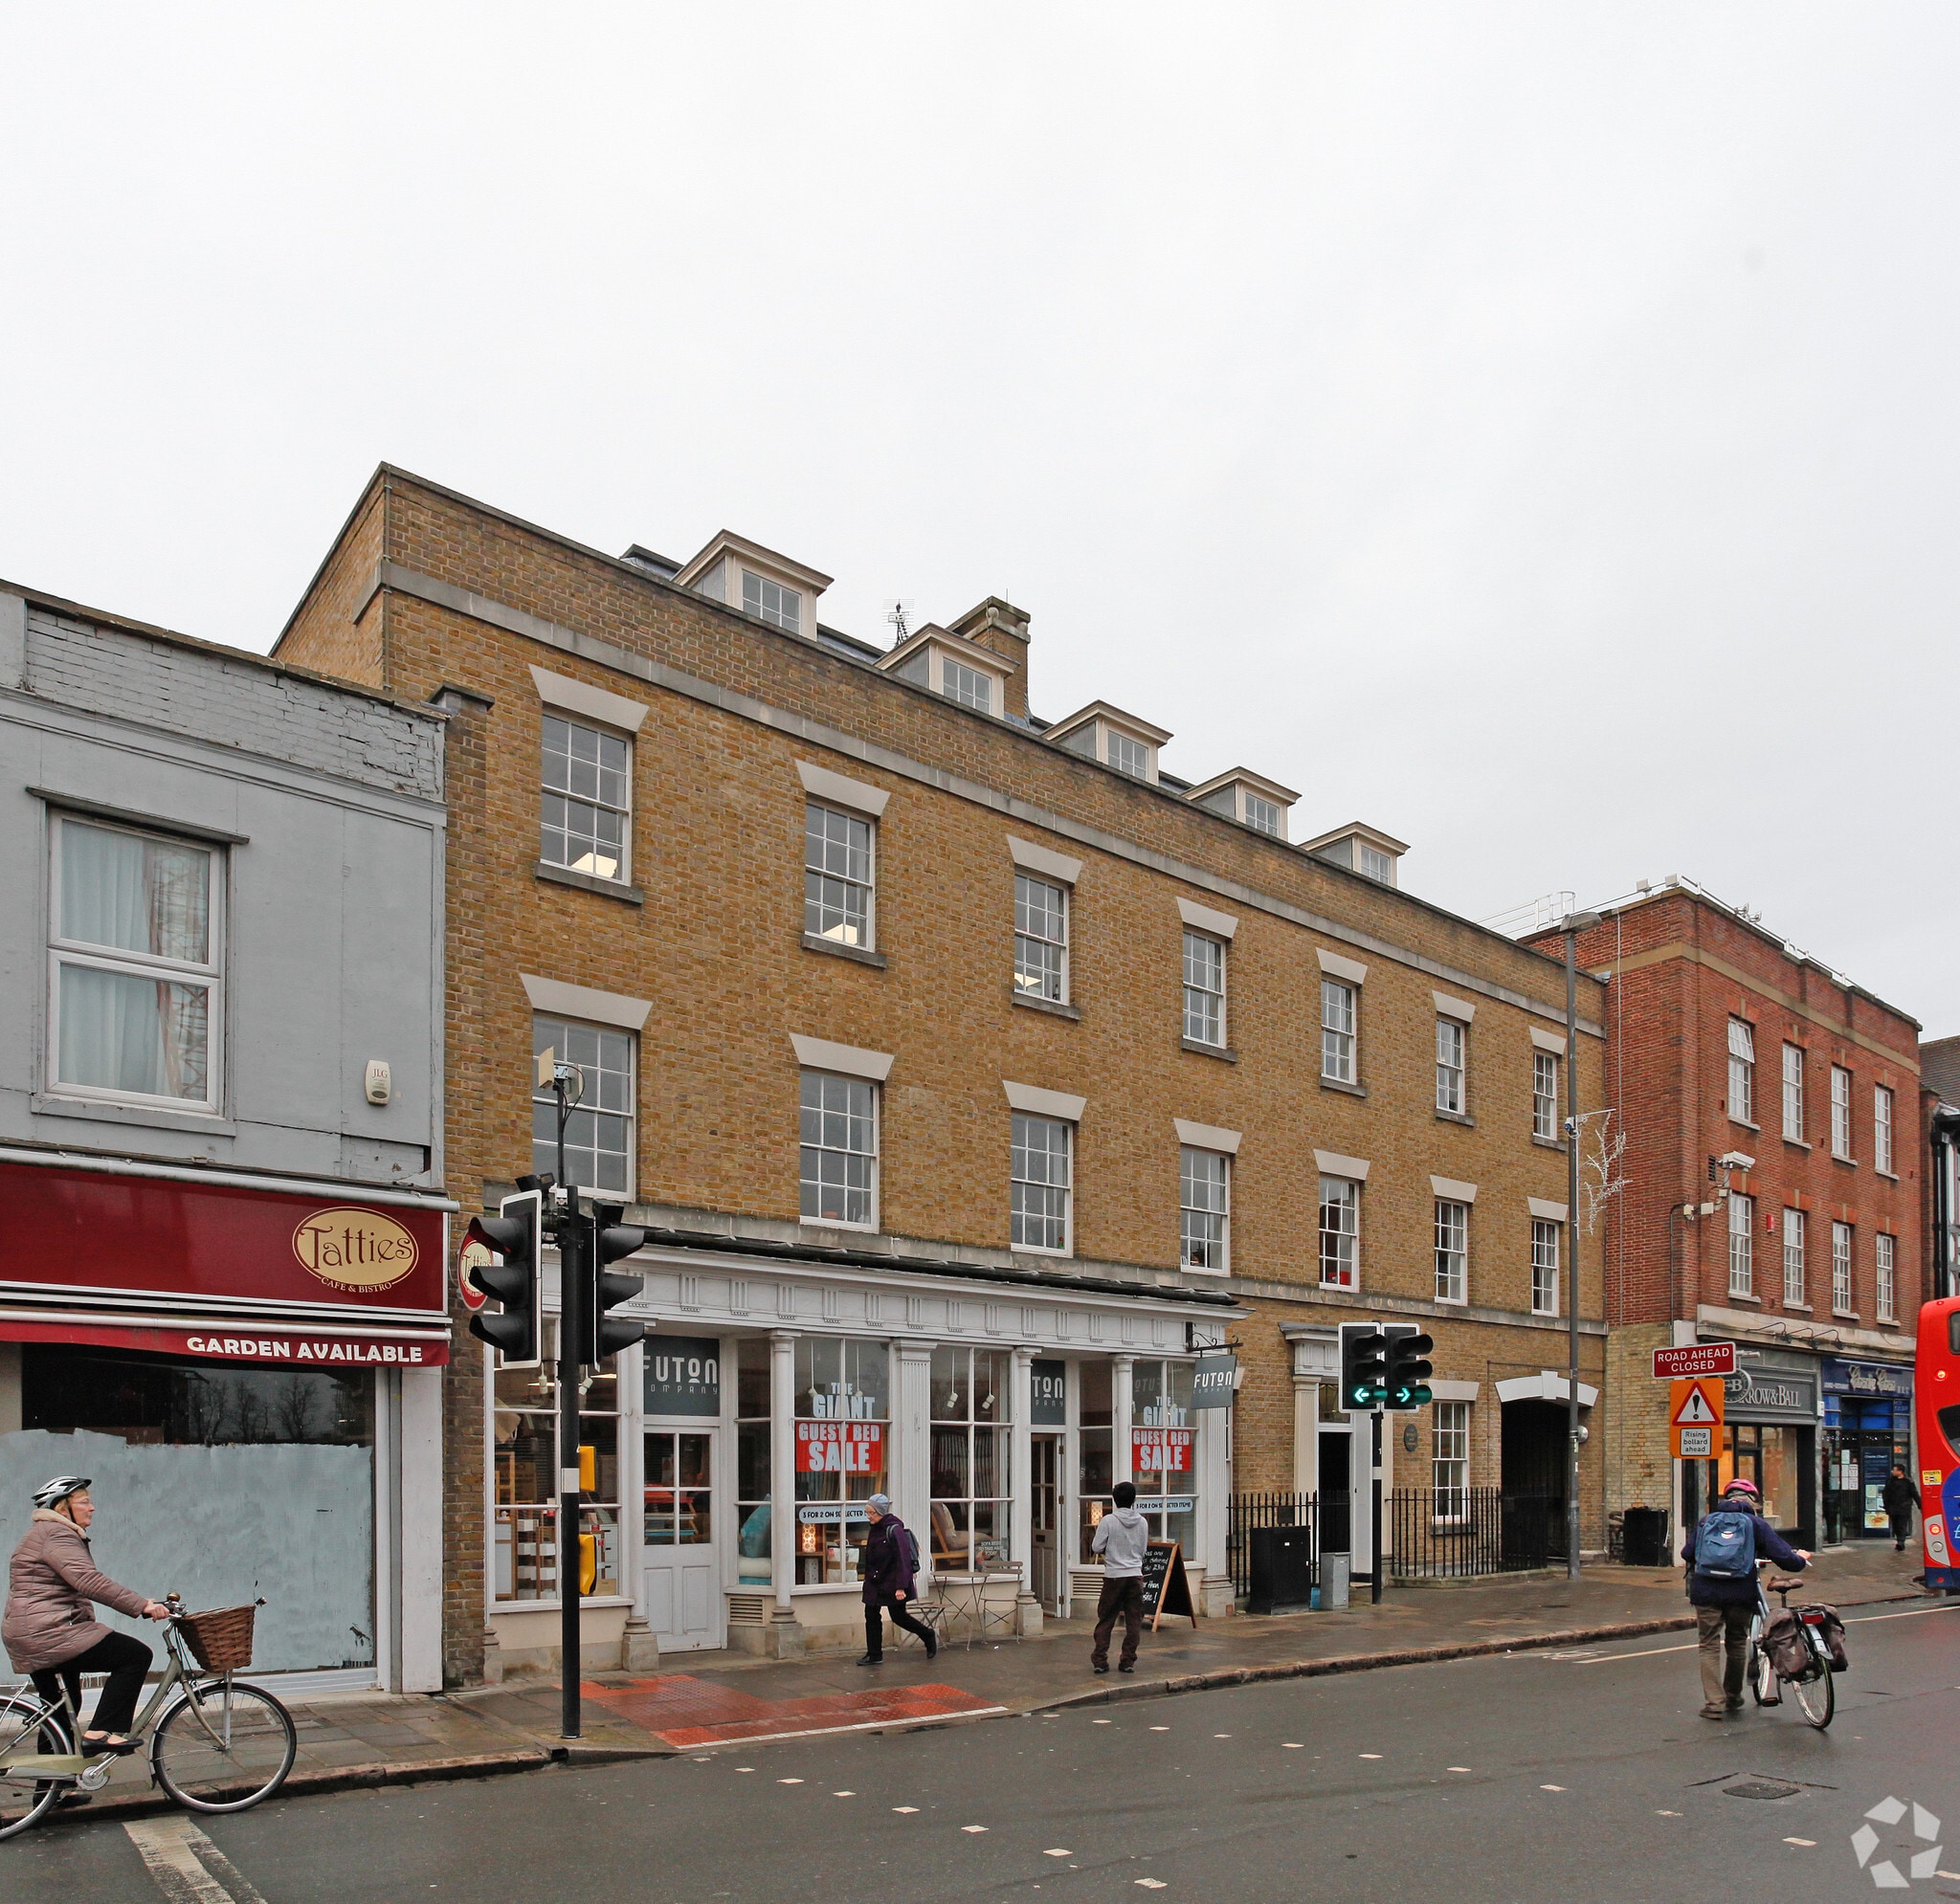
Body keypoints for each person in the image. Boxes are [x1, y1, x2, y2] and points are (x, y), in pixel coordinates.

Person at [3, 1477, 170, 1754]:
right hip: (48, 1632)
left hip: (33, 1632)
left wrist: (143, 1602)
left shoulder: (45, 1533)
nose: (92, 1508)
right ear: (61, 1507)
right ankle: (101, 1732)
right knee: (134, 1655)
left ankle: (52, 1790)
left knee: (58, 1710)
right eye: (84, 1502)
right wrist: (141, 1605)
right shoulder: (57, 1533)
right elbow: (88, 1581)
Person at [1681, 1475, 1810, 1720]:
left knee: (1708, 1644)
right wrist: (1801, 1559)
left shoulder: (1707, 1521)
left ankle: (1713, 1703)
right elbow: (1785, 1557)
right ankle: (1733, 1697)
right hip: (1741, 1592)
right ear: (1752, 1501)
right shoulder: (1755, 1524)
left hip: (1706, 1592)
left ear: (1726, 1498)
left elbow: (1687, 1553)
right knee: (1737, 1641)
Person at [857, 1494, 936, 1665]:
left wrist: (900, 1587)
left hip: (892, 1581)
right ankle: (874, 1654)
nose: (869, 1516)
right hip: (875, 1581)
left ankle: (927, 1634)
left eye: (872, 1513)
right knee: (871, 1614)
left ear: (881, 1512)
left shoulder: (894, 1530)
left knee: (898, 1616)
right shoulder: (874, 1528)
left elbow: (903, 1559)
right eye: (867, 1512)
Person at [1089, 1480, 1150, 1675]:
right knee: (1134, 1620)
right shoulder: (1142, 1522)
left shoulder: (1108, 1521)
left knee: (1106, 1618)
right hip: (1134, 1575)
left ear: (1115, 1500)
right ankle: (1127, 1661)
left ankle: (1100, 1660)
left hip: (1114, 1576)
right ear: (1133, 1500)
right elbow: (1143, 1550)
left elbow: (1096, 1547)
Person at [1882, 1466, 1922, 1553]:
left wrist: (1920, 1505)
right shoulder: (1890, 1481)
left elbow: (1914, 1493)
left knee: (1902, 1524)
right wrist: (1886, 1505)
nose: (1892, 1471)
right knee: (1895, 1525)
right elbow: (1885, 1494)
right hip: (1893, 1507)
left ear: (1900, 1471)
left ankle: (1901, 1542)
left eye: (1894, 1470)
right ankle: (1899, 1540)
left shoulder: (1908, 1481)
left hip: (1904, 1507)